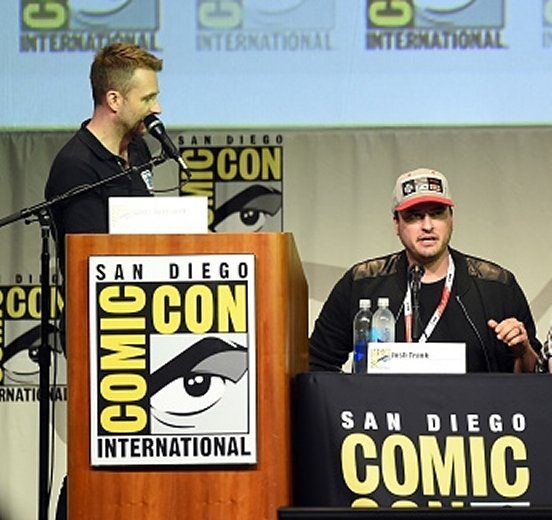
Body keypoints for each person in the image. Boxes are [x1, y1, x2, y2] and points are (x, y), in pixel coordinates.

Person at [309, 167, 541, 373]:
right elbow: (317, 364)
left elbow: (535, 378)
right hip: (384, 409)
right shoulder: (362, 282)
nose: (427, 226)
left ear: (451, 219)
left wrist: (523, 350)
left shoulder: (496, 285)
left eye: (437, 213)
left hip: (472, 409)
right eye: (414, 217)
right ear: (396, 224)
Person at [45, 42, 163, 265]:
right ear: (114, 100)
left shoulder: (138, 148)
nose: (157, 108)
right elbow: (88, 260)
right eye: (147, 99)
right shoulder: (75, 166)